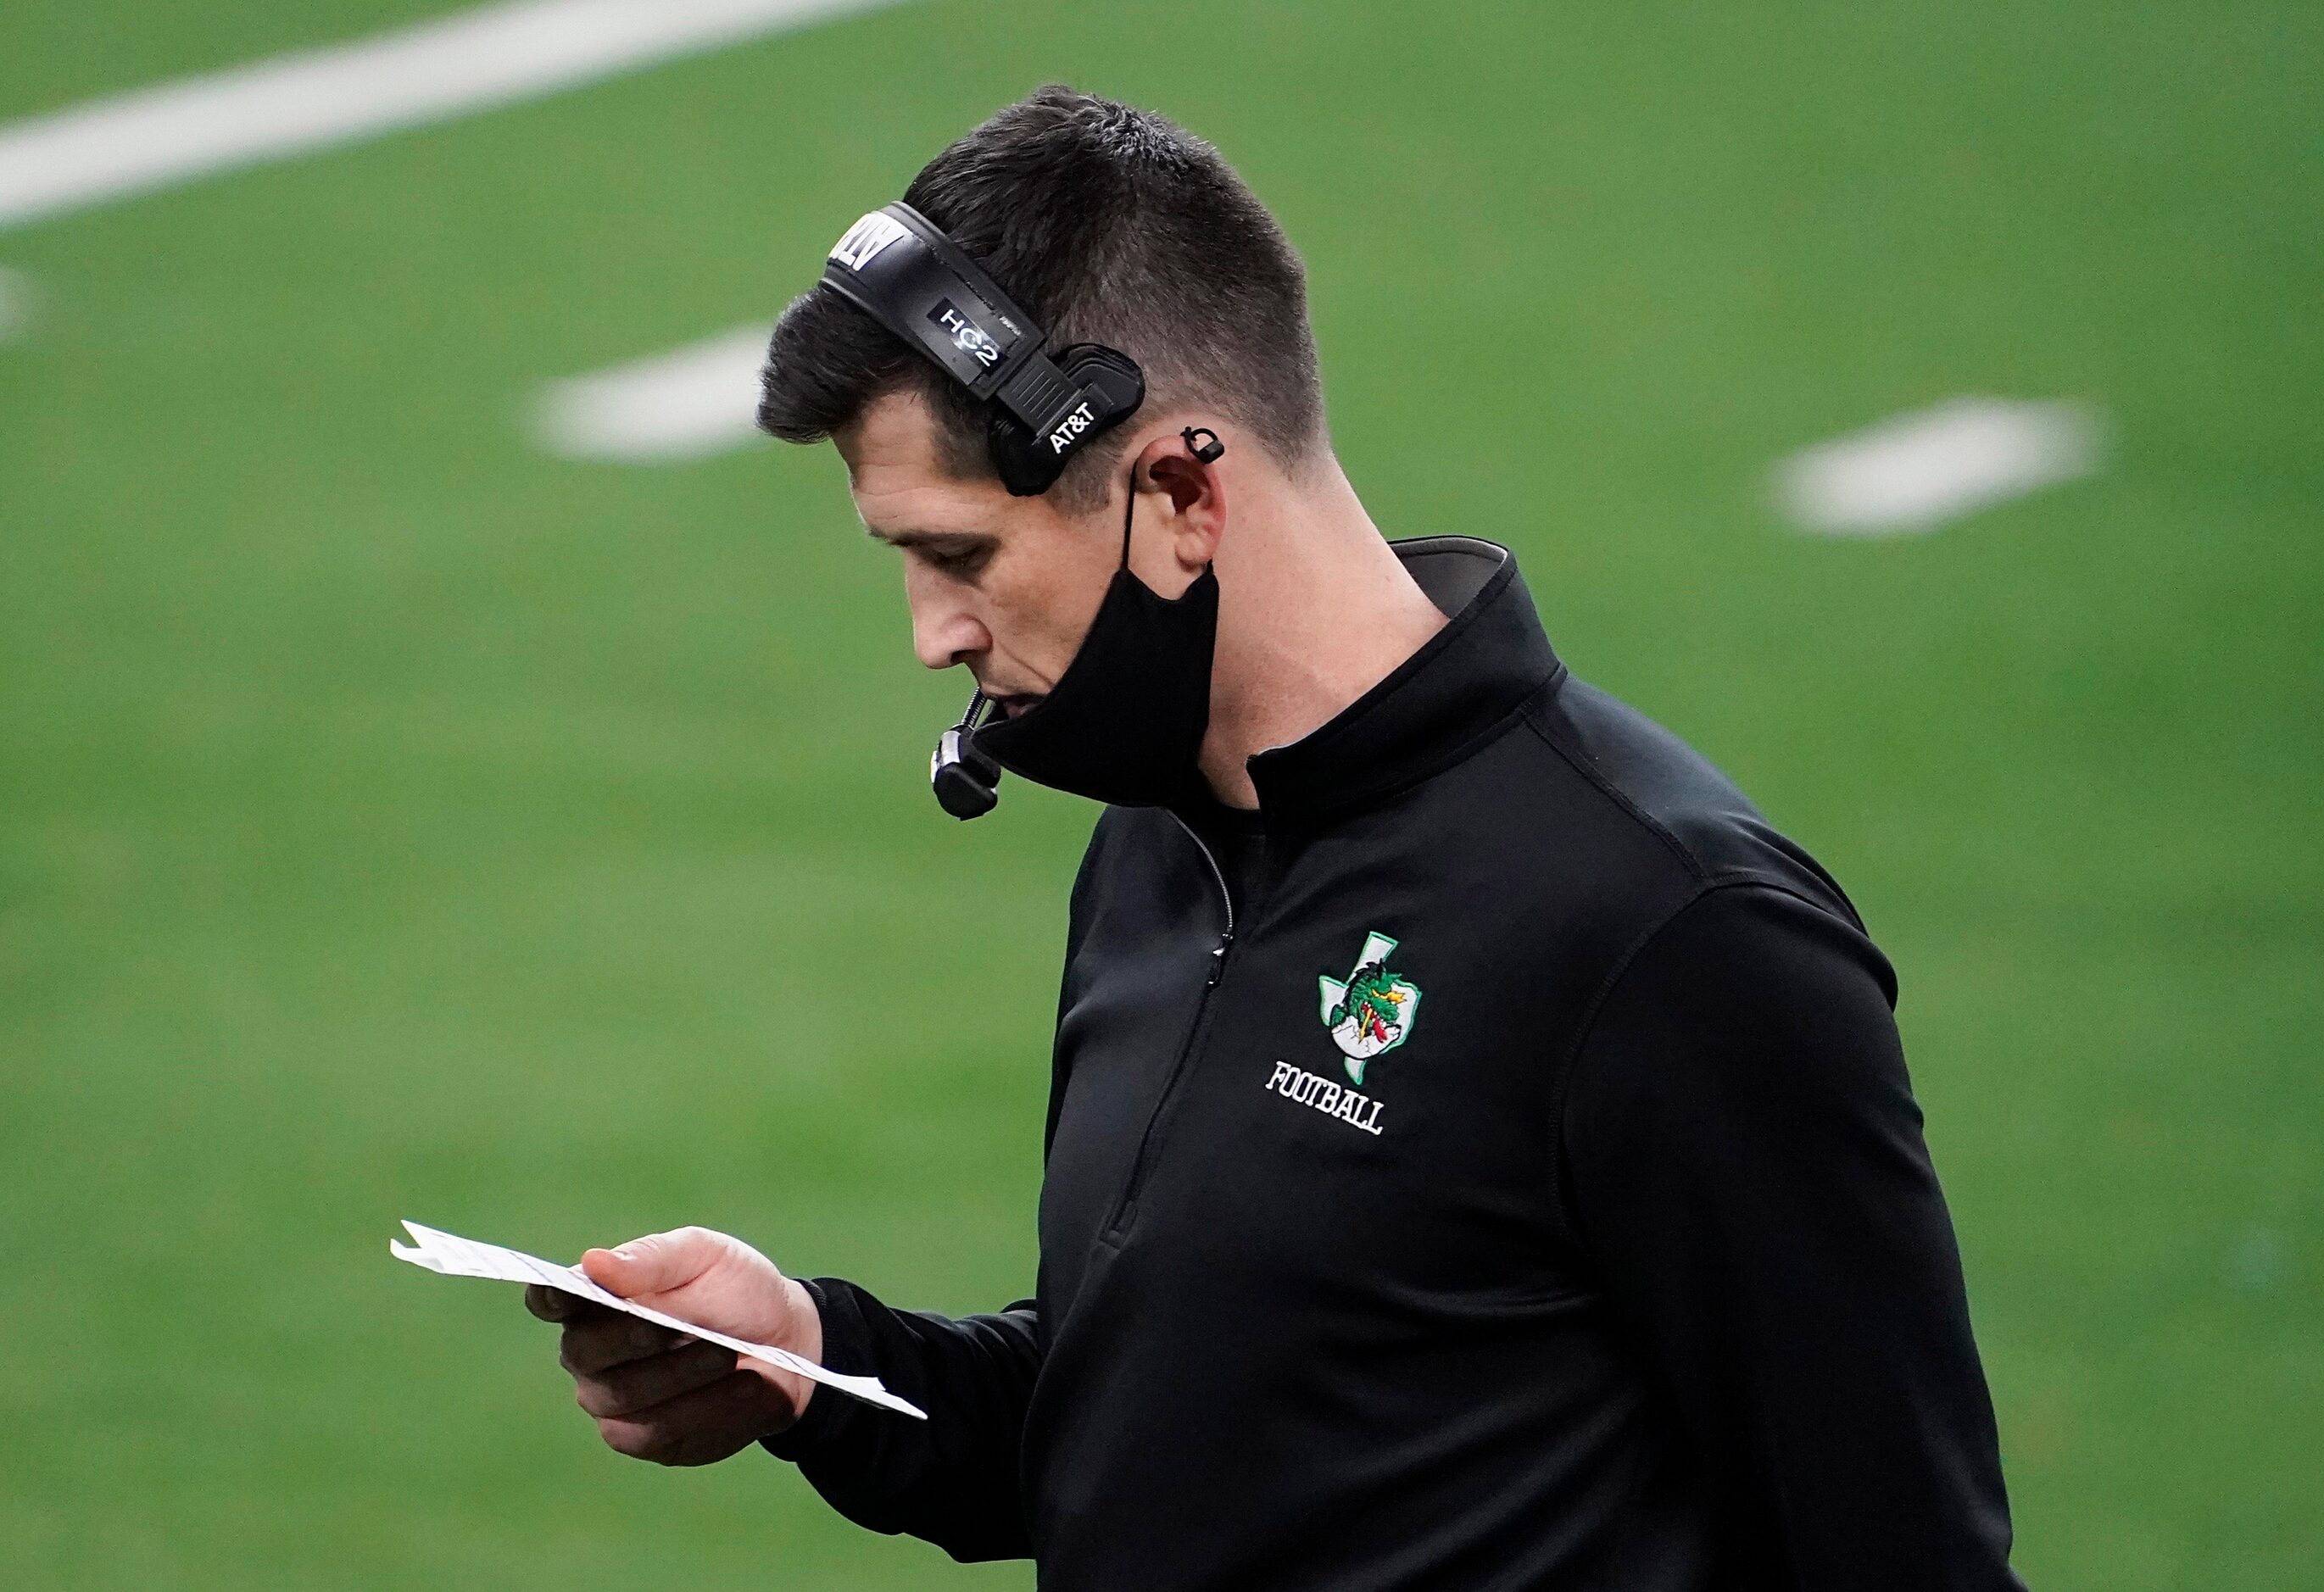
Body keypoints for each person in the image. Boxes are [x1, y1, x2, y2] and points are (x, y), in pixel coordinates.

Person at [525, 86, 2027, 1590]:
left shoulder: (1668, 930)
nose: (932, 633)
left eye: (959, 552)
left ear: (1179, 491)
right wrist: (820, 1359)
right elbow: (1188, 1423)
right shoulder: (1158, 845)